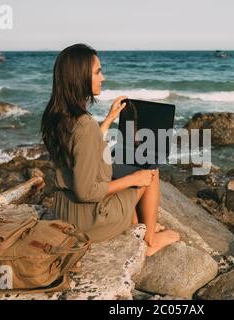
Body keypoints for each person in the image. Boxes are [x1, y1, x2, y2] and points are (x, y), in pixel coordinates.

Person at [41, 44, 180, 256]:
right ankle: (150, 240)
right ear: (79, 77)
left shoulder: (55, 116)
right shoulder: (84, 125)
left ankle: (137, 225)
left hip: (65, 211)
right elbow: (86, 192)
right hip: (90, 221)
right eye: (97, 72)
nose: (102, 77)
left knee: (128, 167)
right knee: (150, 170)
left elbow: (79, 147)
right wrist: (134, 179)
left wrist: (108, 120)